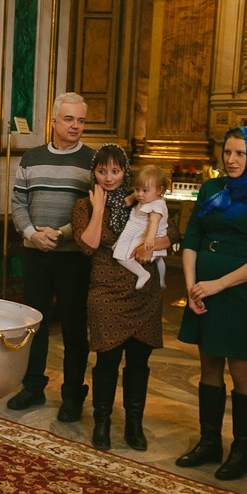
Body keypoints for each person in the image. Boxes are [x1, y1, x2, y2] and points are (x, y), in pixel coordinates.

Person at [176, 126, 247, 481]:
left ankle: (242, 451)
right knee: (208, 366)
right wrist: (193, 287)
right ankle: (210, 442)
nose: (232, 159)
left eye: (240, 153)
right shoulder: (211, 188)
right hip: (203, 291)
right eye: (228, 152)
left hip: (241, 294)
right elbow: (192, 236)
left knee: (241, 370)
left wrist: (218, 284)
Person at [72, 146, 179, 451]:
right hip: (106, 290)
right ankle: (102, 422)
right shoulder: (83, 205)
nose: (108, 177)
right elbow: (89, 246)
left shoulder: (146, 199)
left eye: (115, 171)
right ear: (93, 173)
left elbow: (174, 231)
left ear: (125, 172)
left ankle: (134, 424)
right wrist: (98, 208)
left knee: (138, 362)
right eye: (102, 171)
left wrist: (151, 243)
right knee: (106, 360)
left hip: (143, 291)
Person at [7, 92, 94, 422]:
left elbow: (93, 209)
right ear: (54, 121)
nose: (75, 126)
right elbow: (18, 204)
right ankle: (32, 386)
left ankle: (72, 394)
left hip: (73, 256)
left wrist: (61, 233)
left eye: (81, 120)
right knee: (35, 325)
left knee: (74, 327)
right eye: (69, 119)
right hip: (36, 254)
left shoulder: (92, 160)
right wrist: (32, 234)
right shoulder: (31, 158)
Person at [111, 164, 169, 290]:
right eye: (137, 189)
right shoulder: (150, 198)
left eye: (144, 191)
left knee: (121, 256)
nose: (139, 194)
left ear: (159, 190)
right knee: (159, 259)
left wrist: (149, 239)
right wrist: (132, 197)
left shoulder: (156, 205)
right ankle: (162, 281)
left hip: (146, 234)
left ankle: (142, 274)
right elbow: (138, 194)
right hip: (143, 231)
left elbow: (154, 222)